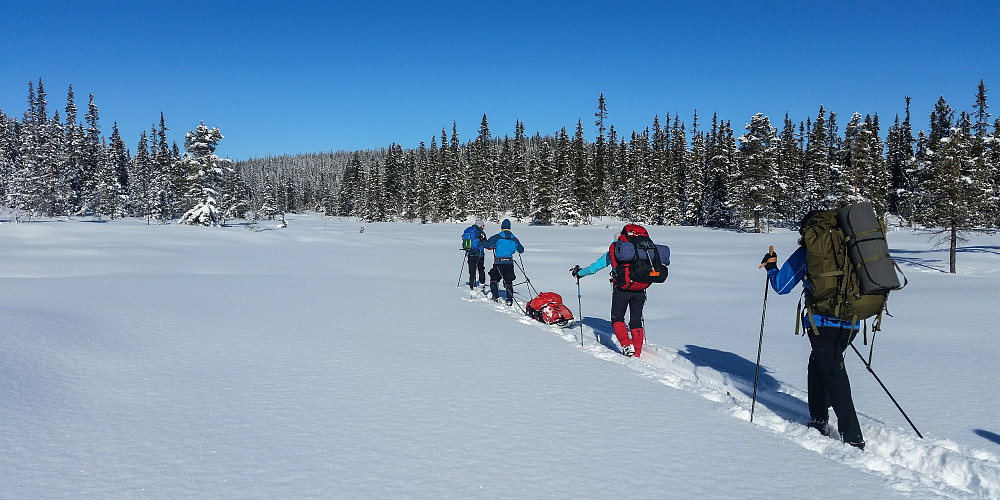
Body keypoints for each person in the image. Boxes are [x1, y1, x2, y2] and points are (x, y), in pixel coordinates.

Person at [761, 224, 866, 450]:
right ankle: (818, 419)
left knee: (833, 372)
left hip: (821, 324)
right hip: (853, 320)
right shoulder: (854, 247)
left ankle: (854, 438)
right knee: (819, 363)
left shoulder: (810, 251)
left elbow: (782, 285)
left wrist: (771, 267)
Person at [571, 225, 652, 358]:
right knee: (636, 320)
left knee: (617, 319)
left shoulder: (613, 251)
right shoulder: (642, 250)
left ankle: (627, 346)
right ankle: (637, 351)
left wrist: (579, 273)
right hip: (640, 288)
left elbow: (594, 268)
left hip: (621, 289)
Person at [482, 219, 524, 306]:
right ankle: (509, 299)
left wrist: (482, 240)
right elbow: (521, 250)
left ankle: (495, 296)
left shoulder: (497, 237)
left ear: (502, 227)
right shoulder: (514, 239)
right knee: (508, 282)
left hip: (498, 263)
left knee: (494, 280)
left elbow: (487, 245)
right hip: (509, 263)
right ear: (509, 227)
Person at [462, 219, 487, 290]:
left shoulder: (469, 231)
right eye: (483, 226)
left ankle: (472, 285)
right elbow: (485, 243)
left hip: (470, 253)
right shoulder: (480, 232)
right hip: (479, 254)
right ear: (481, 226)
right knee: (481, 269)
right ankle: (482, 284)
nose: (484, 227)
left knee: (472, 270)